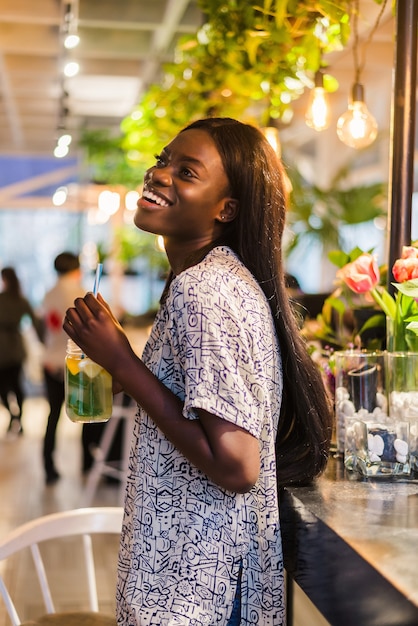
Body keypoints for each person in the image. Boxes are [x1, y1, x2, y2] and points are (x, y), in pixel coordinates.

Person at [64, 118, 332, 625]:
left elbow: (237, 464)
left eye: (186, 172)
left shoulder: (202, 290)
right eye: (164, 159)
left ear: (226, 208)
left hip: (196, 587)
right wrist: (124, 368)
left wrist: (122, 359)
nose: (159, 174)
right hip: (207, 578)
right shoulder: (218, 279)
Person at [40, 252, 84, 484]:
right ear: (77, 268)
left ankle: (48, 465)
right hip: (76, 363)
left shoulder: (48, 294)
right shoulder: (81, 293)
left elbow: (44, 328)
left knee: (53, 415)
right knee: (89, 413)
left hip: (50, 361)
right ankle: (87, 462)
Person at [0, 267, 43, 436]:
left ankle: (16, 418)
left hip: (9, 349)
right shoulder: (18, 299)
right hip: (12, 348)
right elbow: (36, 322)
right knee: (13, 387)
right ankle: (15, 417)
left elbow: (35, 321)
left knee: (12, 387)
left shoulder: (15, 299)